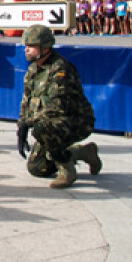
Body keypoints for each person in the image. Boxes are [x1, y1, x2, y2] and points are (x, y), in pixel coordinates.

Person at [16, 24, 102, 188]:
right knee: (37, 167)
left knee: (41, 129)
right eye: (26, 46)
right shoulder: (33, 70)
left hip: (74, 122)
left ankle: (67, 170)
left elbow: (56, 108)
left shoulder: (60, 70)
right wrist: (21, 126)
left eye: (31, 46)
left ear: (45, 48)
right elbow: (26, 102)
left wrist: (29, 123)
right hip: (51, 123)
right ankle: (83, 153)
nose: (26, 49)